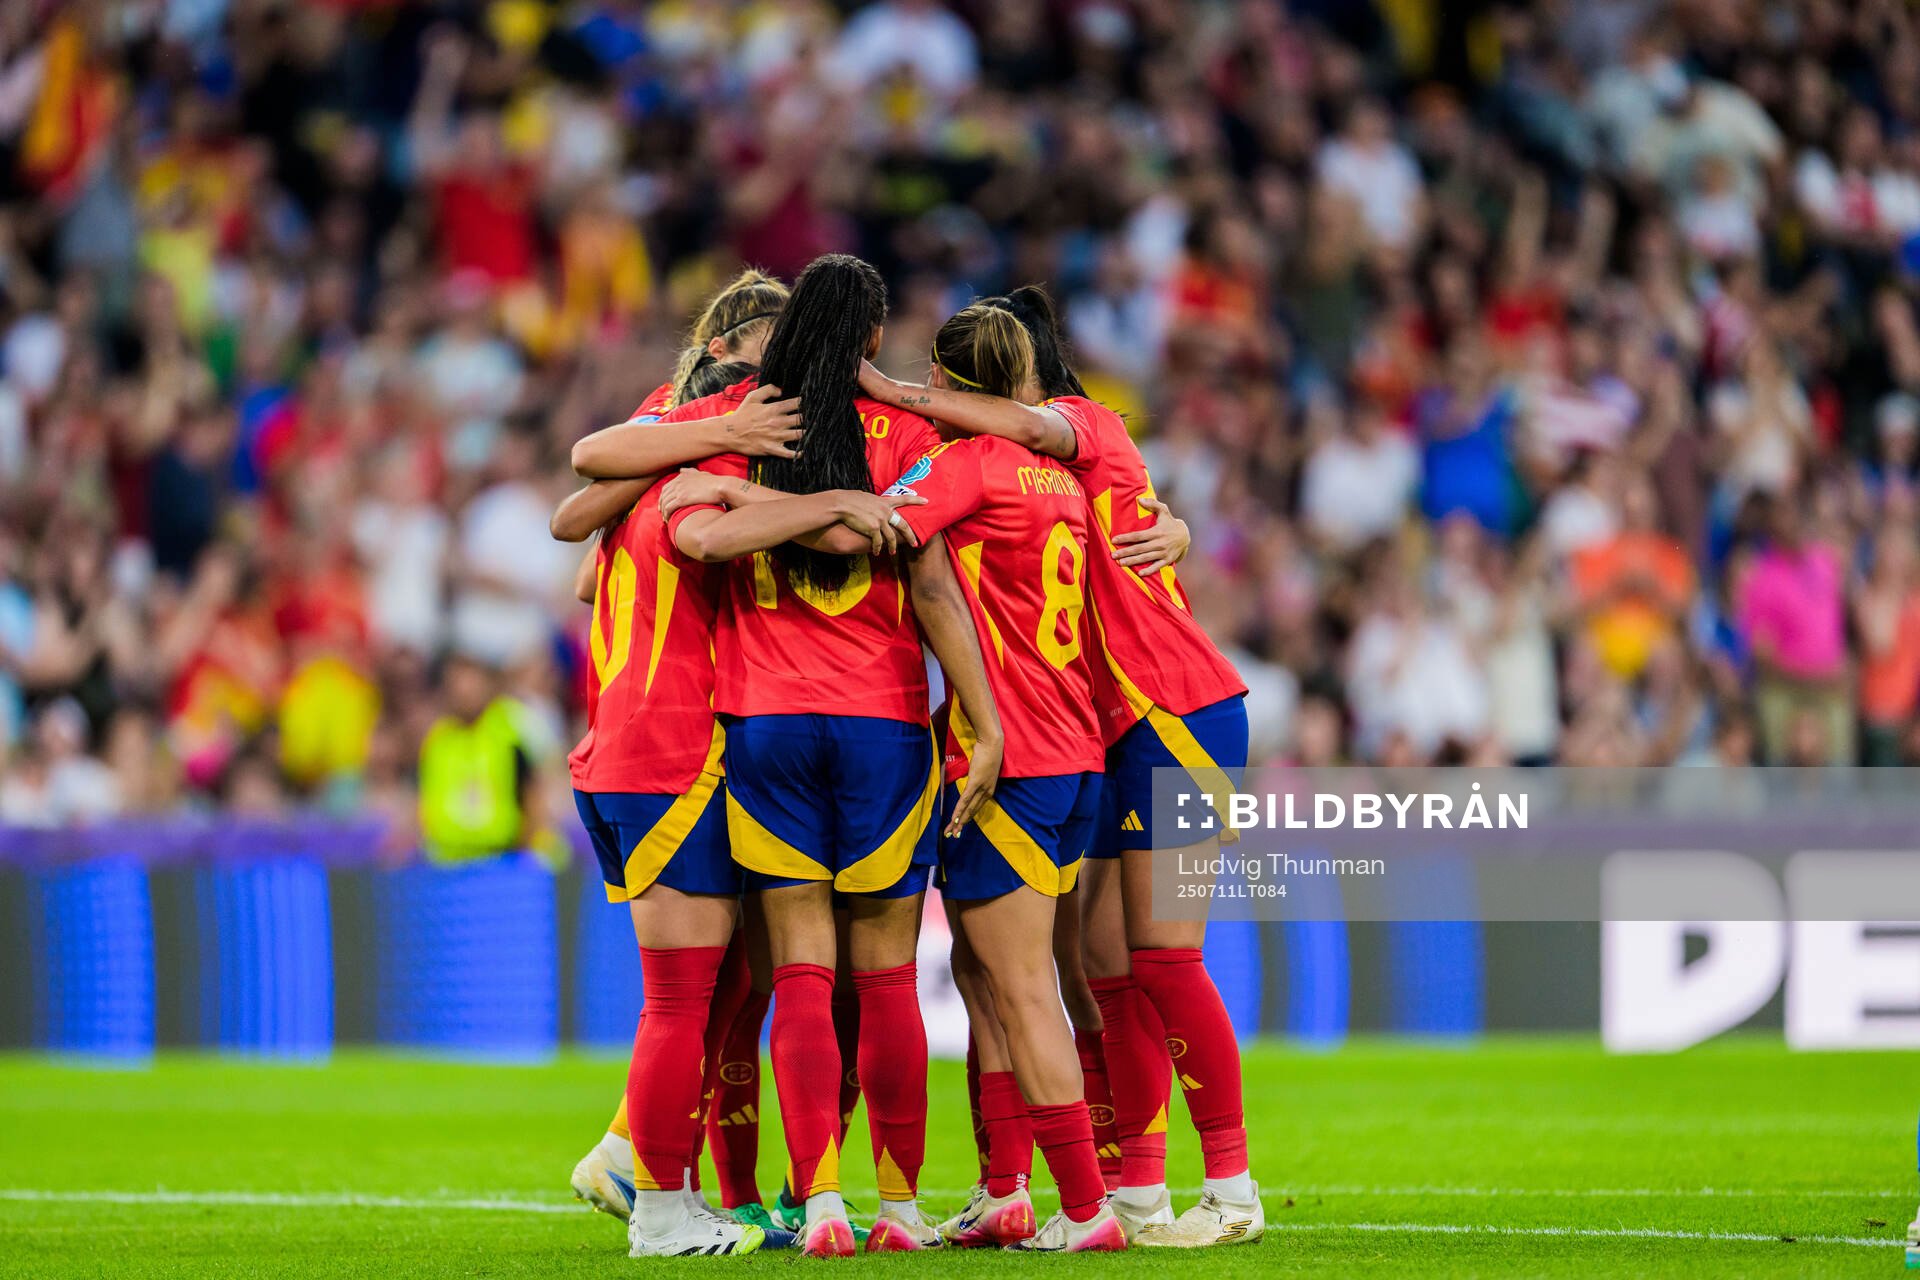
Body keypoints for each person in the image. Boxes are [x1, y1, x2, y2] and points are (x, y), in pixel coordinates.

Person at [861, 284, 1263, 1248]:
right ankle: (1137, 1191)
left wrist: (899, 392)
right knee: (1104, 969)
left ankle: (1234, 1186)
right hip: (1102, 724)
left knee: (1161, 958)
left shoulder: (1081, 425)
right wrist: (1175, 528)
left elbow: (1009, 436)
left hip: (1173, 705)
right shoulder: (1039, 466)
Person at [661, 253, 1002, 1256]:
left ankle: (818, 1207)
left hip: (766, 725)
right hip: (883, 727)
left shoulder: (746, 424)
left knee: (801, 976)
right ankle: (897, 1208)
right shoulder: (904, 435)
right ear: (868, 338)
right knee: (888, 979)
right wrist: (984, 720)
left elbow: (700, 538)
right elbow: (936, 590)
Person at [555, 270, 803, 1249]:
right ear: (736, 354)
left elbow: (580, 543)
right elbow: (580, 496)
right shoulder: (701, 418)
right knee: (691, 990)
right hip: (667, 740)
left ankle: (648, 1160)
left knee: (735, 978)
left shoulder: (678, 445)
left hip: (645, 736)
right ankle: (654, 1196)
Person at [886, 302, 1130, 1252]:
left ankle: (1084, 1208)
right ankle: (1004, 1192)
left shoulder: (964, 466)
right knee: (980, 967)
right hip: (1076, 753)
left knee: (1023, 984)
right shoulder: (1059, 475)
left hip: (1010, 758)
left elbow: (879, 527)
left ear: (948, 382)